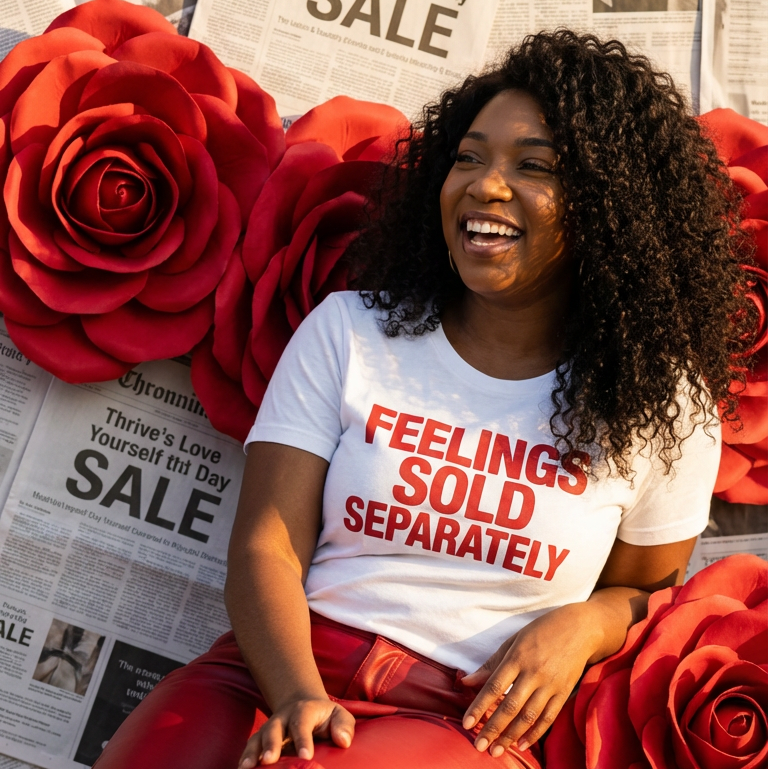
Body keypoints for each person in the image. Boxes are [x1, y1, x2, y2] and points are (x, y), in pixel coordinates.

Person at [94, 31, 756, 769]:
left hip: (464, 722)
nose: (484, 186)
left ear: (612, 207)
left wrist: (586, 624)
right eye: (468, 158)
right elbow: (266, 547)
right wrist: (295, 696)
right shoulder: (352, 330)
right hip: (276, 671)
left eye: (532, 166)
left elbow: (645, 595)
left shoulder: (662, 402)